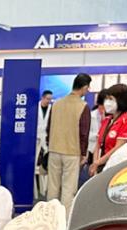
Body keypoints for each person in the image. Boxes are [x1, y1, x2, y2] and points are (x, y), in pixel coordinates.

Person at [46, 74, 92, 211]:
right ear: (84, 87)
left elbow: (49, 127)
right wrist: (83, 153)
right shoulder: (83, 106)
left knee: (52, 187)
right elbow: (84, 133)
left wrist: (50, 144)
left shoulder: (56, 104)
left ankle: (49, 216)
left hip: (54, 149)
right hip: (72, 152)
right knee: (68, 188)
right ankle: (64, 220)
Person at [90, 84, 127, 176]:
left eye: (111, 99)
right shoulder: (107, 120)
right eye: (106, 99)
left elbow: (118, 147)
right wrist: (95, 162)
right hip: (102, 165)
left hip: (116, 165)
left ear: (121, 100)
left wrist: (98, 162)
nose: (107, 102)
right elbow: (98, 144)